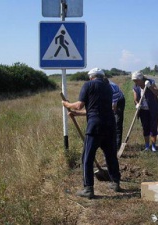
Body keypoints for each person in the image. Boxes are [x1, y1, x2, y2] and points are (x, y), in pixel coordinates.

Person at [62, 68, 121, 199]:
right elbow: (97, 109)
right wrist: (77, 114)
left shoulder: (88, 85)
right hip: (110, 125)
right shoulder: (108, 87)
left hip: (95, 127)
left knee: (87, 158)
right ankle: (115, 183)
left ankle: (88, 189)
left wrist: (66, 104)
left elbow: (79, 105)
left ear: (91, 77)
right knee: (111, 155)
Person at [131, 71, 158, 152]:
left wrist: (150, 87)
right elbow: (135, 98)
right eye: (134, 81)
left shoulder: (150, 82)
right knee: (145, 128)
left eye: (137, 80)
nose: (135, 82)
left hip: (153, 110)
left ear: (141, 79)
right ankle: (147, 146)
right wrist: (137, 104)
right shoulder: (136, 87)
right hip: (143, 111)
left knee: (153, 128)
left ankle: (153, 146)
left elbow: (157, 93)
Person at [109, 80, 125, 151]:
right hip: (110, 101)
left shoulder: (113, 87)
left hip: (119, 102)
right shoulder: (98, 86)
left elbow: (114, 106)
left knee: (117, 123)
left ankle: (118, 146)